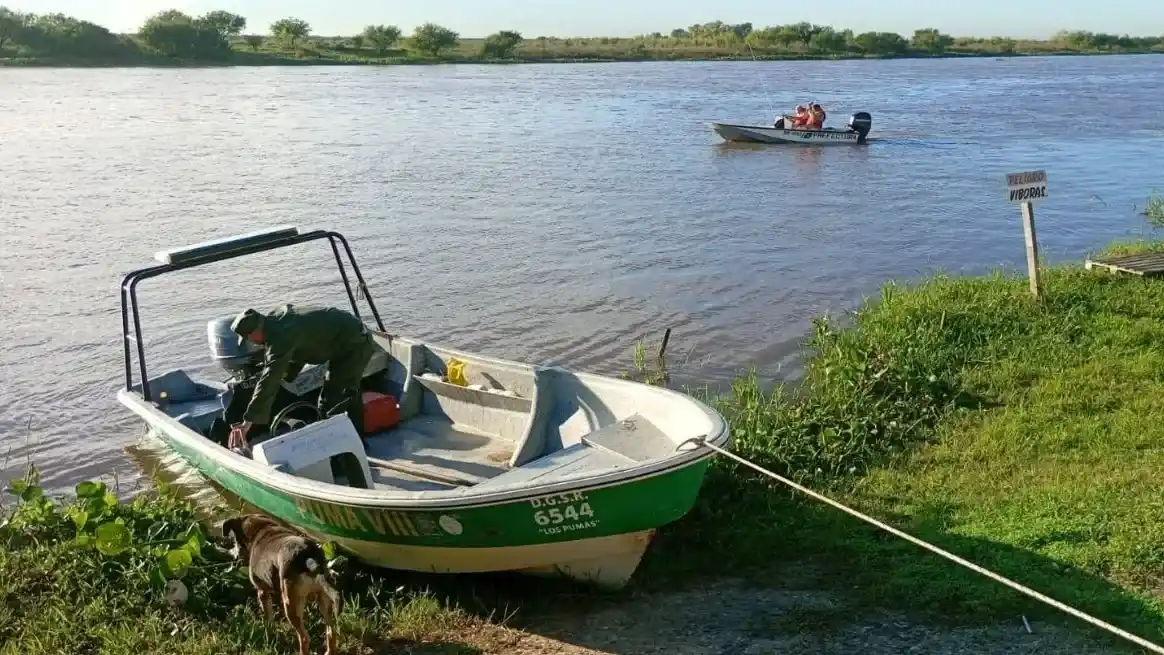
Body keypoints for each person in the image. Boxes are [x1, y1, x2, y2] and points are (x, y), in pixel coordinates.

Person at [226, 303, 377, 451]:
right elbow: (298, 351)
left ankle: (337, 452)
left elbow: (270, 377)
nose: (252, 343)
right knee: (348, 392)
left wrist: (248, 421)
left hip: (354, 344)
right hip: (346, 338)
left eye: (248, 339)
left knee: (330, 402)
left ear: (254, 332)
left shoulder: (281, 336)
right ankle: (358, 442)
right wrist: (282, 375)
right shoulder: (276, 321)